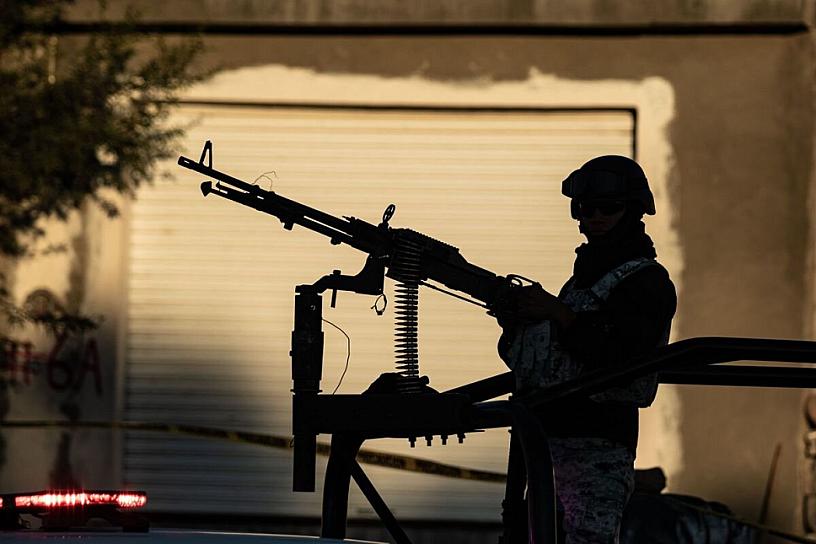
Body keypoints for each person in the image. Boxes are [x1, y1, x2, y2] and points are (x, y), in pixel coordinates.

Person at [496, 155, 677, 543]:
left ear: (633, 211)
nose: (594, 217)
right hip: (547, 445)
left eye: (608, 208)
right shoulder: (580, 285)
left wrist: (560, 315)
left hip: (598, 449)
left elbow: (623, 357)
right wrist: (519, 322)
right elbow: (546, 360)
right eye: (584, 208)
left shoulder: (647, 281)